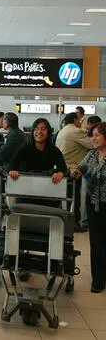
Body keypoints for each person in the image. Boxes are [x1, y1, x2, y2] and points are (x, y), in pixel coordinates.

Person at [70, 122, 106, 293]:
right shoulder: (92, 155)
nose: (94, 138)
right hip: (94, 205)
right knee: (96, 243)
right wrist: (76, 172)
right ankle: (98, 279)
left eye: (97, 135)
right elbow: (81, 167)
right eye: (92, 135)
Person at [9, 118, 67, 207]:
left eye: (43, 129)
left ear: (48, 132)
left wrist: (60, 173)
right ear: (32, 131)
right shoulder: (25, 148)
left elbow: (62, 167)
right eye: (36, 129)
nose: (39, 132)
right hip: (26, 191)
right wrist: (13, 170)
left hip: (46, 192)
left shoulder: (53, 150)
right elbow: (12, 163)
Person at [56, 112, 93, 231]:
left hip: (65, 167)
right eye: (80, 120)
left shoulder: (63, 130)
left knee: (69, 198)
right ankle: (74, 224)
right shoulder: (75, 131)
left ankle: (70, 222)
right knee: (74, 198)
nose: (81, 123)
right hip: (73, 169)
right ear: (75, 120)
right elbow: (92, 144)